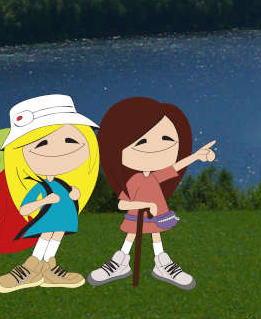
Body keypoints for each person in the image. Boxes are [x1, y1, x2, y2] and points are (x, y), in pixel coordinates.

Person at [85, 97, 216, 290]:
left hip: (156, 217)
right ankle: (120, 262)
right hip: (137, 217)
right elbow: (123, 204)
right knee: (131, 236)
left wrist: (195, 156)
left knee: (156, 236)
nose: (157, 147)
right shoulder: (133, 180)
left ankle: (162, 264)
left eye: (166, 139)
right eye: (142, 141)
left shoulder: (154, 176)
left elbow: (175, 167)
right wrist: (145, 205)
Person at [0, 94, 102, 293]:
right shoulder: (39, 187)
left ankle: (49, 268)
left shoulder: (64, 184)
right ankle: (31, 267)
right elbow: (25, 208)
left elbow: (71, 198)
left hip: (62, 220)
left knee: (56, 237)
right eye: (42, 144)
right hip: (47, 220)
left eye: (70, 140)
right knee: (46, 236)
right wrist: (46, 200)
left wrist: (74, 194)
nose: (58, 150)